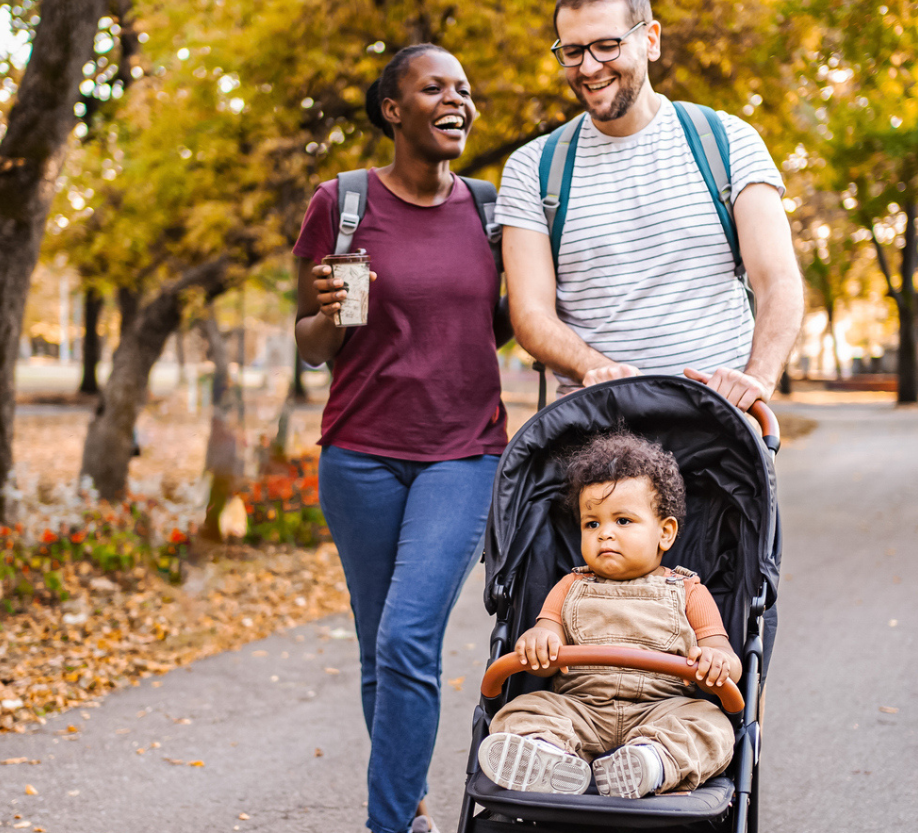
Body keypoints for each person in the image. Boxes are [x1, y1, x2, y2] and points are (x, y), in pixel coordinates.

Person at [290, 44, 507, 833]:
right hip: (361, 451)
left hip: (465, 448)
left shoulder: (490, 209)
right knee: (380, 647)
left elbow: (509, 323)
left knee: (410, 633)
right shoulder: (341, 204)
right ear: (394, 109)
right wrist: (329, 311)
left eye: (465, 88)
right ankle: (409, 810)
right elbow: (313, 345)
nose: (458, 100)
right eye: (436, 88)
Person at [499, 0, 805, 413]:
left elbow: (779, 281)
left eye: (607, 45)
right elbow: (531, 315)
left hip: (718, 426)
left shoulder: (728, 141)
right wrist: (604, 374)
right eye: (573, 51)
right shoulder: (533, 168)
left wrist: (757, 378)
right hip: (599, 427)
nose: (589, 67)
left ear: (651, 40)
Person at [477, 431, 738, 798]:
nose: (605, 535)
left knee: (710, 726)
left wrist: (716, 661)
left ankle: (651, 762)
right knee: (525, 709)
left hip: (662, 709)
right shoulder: (569, 585)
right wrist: (538, 643)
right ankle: (547, 756)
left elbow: (726, 656)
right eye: (592, 524)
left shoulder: (689, 591)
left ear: (665, 533)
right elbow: (545, 645)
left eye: (623, 521)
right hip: (579, 708)